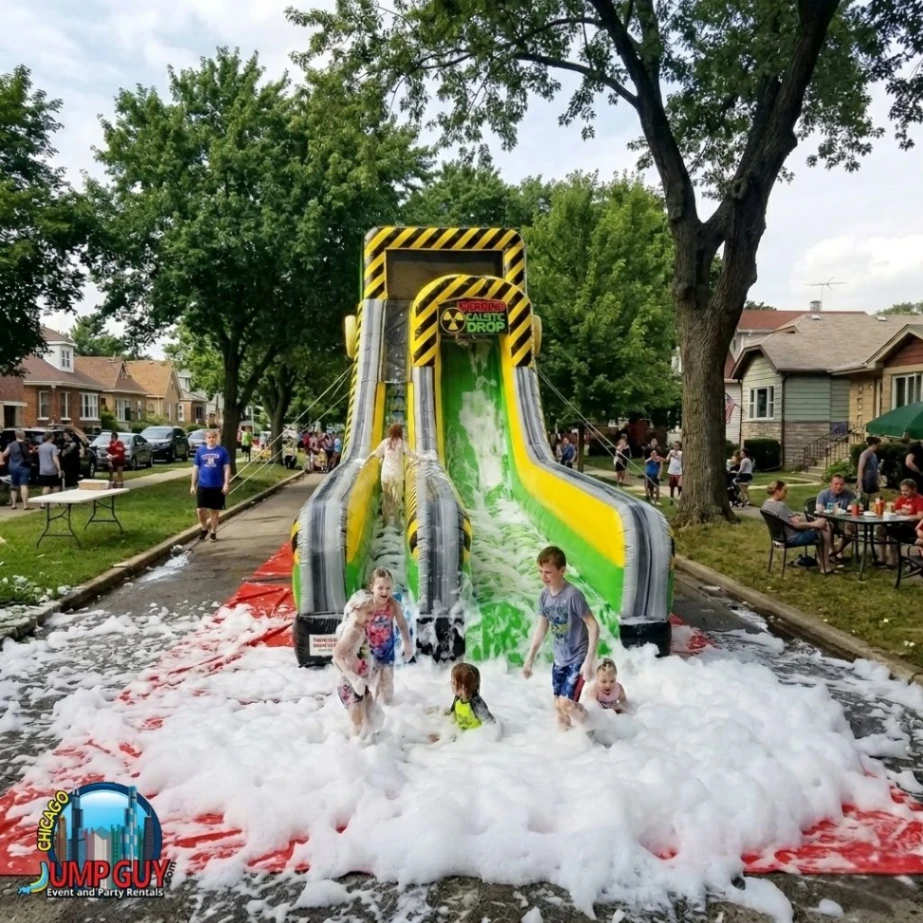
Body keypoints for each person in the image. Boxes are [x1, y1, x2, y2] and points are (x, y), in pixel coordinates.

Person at [522, 545, 599, 730]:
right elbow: (542, 627)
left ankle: (596, 729)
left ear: (562, 571)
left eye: (548, 572)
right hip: (560, 659)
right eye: (540, 571)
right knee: (558, 707)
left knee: (565, 703)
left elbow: (593, 625)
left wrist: (588, 662)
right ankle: (566, 746)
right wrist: (529, 658)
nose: (543, 577)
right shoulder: (544, 596)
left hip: (577, 658)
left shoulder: (573, 595)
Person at [762, 480, 836, 573]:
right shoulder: (780, 506)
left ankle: (824, 563)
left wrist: (798, 518)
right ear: (777, 491)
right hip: (793, 537)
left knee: (823, 526)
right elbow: (796, 525)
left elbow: (791, 519)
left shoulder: (766, 504)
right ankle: (825, 566)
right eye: (784, 491)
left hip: (779, 538)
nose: (786, 494)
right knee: (824, 529)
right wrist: (815, 524)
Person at [332, 590, 377, 738]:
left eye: (373, 613)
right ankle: (355, 751)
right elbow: (336, 655)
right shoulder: (352, 631)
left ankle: (364, 747)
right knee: (357, 725)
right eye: (368, 613)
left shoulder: (359, 628)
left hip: (358, 683)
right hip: (349, 684)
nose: (371, 617)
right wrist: (353, 678)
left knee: (366, 720)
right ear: (356, 609)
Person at [365, 566, 413, 703]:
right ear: (372, 587)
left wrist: (407, 644)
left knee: (387, 691)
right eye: (380, 588)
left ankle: (388, 713)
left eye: (388, 588)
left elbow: (402, 624)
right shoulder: (366, 605)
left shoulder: (393, 605)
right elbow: (356, 625)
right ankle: (368, 714)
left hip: (387, 652)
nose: (384, 591)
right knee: (367, 687)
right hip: (369, 652)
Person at [372, 423, 419, 525]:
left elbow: (375, 453)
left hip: (385, 476)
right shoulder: (402, 443)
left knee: (387, 500)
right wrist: (422, 459)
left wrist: (364, 462)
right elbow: (411, 455)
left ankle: (385, 523)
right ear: (400, 432)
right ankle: (397, 524)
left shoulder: (385, 442)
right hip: (397, 476)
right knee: (396, 501)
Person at [190, 429, 231, 541]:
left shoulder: (222, 451)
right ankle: (204, 528)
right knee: (200, 509)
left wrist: (226, 484)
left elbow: (227, 468)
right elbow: (196, 469)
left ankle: (213, 532)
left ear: (216, 438)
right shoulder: (200, 451)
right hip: (203, 485)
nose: (211, 439)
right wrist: (193, 485)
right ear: (206, 439)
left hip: (217, 485)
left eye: (213, 437)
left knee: (214, 511)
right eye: (209, 437)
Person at [876, 479, 923, 567]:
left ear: (914, 490)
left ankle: (893, 560)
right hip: (899, 524)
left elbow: (920, 516)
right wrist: (898, 512)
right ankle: (881, 557)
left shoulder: (920, 499)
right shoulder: (901, 499)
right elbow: (894, 510)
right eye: (902, 490)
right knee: (880, 528)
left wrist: (906, 516)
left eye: (906, 490)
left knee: (893, 531)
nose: (904, 493)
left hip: (913, 528)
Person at [815, 474, 856, 562]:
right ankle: (832, 551)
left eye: (841, 484)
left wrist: (857, 505)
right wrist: (827, 509)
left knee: (851, 530)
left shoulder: (848, 494)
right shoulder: (824, 494)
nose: (839, 487)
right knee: (826, 526)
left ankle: (837, 551)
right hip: (828, 522)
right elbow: (819, 508)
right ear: (831, 484)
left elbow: (856, 505)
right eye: (836, 484)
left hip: (844, 521)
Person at [446, 662, 495, 731]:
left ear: (464, 688)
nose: (450, 683)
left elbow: (491, 724)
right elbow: (452, 715)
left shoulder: (476, 704)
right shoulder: (458, 699)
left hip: (475, 738)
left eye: (454, 682)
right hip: (461, 734)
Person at [2, 429, 32, 510]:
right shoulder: (26, 444)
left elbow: (4, 454)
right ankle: (25, 505)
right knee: (23, 485)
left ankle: (13, 505)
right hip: (24, 467)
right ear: (24, 435)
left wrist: (2, 461)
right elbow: (30, 454)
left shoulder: (11, 445)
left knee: (14, 485)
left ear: (16, 435)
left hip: (13, 467)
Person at [857, 436, 882, 503]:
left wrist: (878, 478)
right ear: (873, 444)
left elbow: (875, 468)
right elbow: (860, 469)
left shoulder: (874, 455)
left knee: (876, 502)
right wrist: (860, 486)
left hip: (873, 483)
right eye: (878, 445)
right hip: (866, 483)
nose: (879, 447)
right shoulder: (865, 454)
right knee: (864, 503)